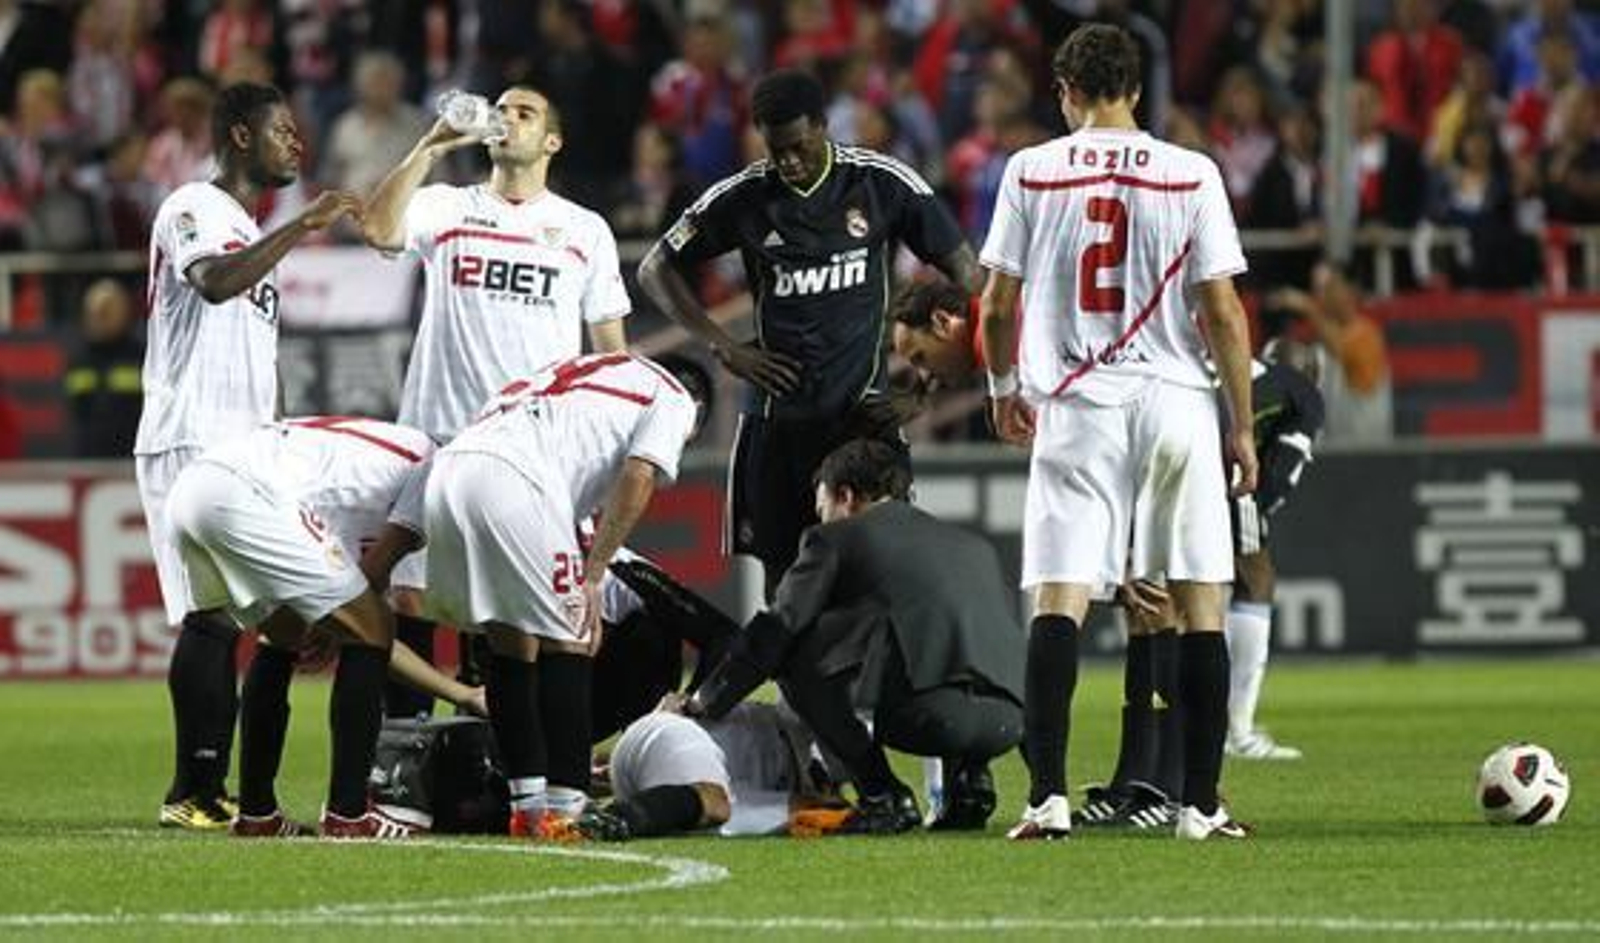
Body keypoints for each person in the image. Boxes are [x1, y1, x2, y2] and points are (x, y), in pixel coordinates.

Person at [976, 24, 1257, 841]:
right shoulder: (1191, 172)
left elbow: (996, 304)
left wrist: (1002, 389)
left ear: (1066, 91)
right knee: (1201, 599)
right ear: (1135, 90)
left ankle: (1047, 800)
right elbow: (1224, 312)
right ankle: (1200, 806)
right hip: (1174, 401)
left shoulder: (1031, 171)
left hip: (1074, 402)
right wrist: (1240, 425)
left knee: (1059, 597)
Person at [637, 68, 982, 598]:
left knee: (882, 568)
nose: (790, 163)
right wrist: (722, 345)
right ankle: (794, 685)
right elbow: (654, 269)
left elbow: (967, 272)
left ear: (825, 126)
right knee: (785, 580)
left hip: (862, 415)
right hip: (776, 419)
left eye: (800, 146)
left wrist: (926, 385)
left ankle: (877, 681)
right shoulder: (745, 196)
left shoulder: (881, 183)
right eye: (777, 151)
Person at [136, 81, 361, 830]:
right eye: (281, 130)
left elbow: (256, 356)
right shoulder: (193, 208)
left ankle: (222, 791)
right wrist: (305, 226)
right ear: (238, 136)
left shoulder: (246, 225)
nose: (297, 142)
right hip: (189, 434)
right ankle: (193, 789)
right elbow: (215, 283)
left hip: (241, 446)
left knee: (242, 622)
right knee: (210, 620)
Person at [361, 83, 633, 704]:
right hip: (438, 437)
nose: (507, 118)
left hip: (534, 453)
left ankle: (513, 770)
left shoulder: (584, 230)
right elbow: (377, 230)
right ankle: (402, 762)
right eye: (502, 109)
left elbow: (612, 355)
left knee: (520, 616)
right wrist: (428, 148)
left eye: (526, 112)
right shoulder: (445, 205)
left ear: (552, 141)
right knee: (412, 600)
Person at [683, 439, 1027, 835]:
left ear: (845, 495)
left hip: (931, 720)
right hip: (1009, 723)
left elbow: (778, 629)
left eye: (823, 506)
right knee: (954, 640)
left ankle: (881, 794)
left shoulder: (834, 539)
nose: (821, 517)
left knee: (793, 651)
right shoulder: (974, 546)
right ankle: (971, 784)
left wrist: (706, 702)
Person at [423, 352, 699, 840]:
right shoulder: (673, 396)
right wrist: (592, 577)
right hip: (516, 480)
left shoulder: (574, 378)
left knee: (510, 640)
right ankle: (567, 810)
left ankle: (525, 807)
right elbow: (639, 475)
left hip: (447, 475)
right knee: (570, 635)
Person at [165, 416, 473, 839]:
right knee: (374, 626)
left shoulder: (373, 471)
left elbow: (345, 601)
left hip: (193, 489)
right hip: (243, 492)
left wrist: (336, 626)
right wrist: (459, 692)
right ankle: (349, 816)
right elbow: (374, 604)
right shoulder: (439, 468)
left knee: (281, 639)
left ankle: (257, 815)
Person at [1225, 336, 1325, 761]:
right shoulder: (1303, 392)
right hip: (1223, 474)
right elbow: (1280, 472)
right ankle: (1237, 731)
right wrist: (1256, 510)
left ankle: (1204, 725)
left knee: (1179, 599)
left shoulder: (1242, 372)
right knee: (1256, 580)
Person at [582, 699, 840, 840]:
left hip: (651, 756)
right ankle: (604, 821)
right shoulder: (811, 738)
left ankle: (607, 815)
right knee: (713, 803)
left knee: (712, 810)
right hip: (669, 736)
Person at [1270, 262, 1391, 444]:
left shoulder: (1367, 335)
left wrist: (1307, 306)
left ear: (1352, 290)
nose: (1324, 293)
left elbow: (1341, 348)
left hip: (1367, 444)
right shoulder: (1320, 340)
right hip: (1334, 443)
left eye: (1332, 286)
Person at [65, 278, 143, 458]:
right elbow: (78, 411)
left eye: (107, 312)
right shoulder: (79, 360)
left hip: (132, 458)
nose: (98, 318)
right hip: (90, 459)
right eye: (94, 312)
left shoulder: (141, 357)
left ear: (125, 312)